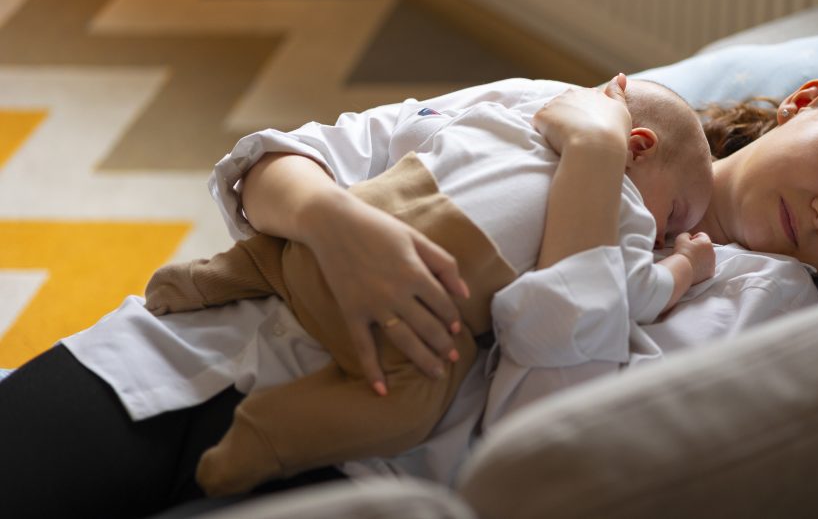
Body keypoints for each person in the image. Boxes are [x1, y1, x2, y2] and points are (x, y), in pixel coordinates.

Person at [0, 64, 818, 519]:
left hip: (357, 469)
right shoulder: (566, 106)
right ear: (804, 104)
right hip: (190, 347)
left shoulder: (759, 299)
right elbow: (276, 163)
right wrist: (338, 223)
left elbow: (545, 417)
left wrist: (594, 176)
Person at [141, 80, 716, 496]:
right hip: (393, 319)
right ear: (634, 146)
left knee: (289, 248)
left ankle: (214, 276)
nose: (667, 233)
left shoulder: (509, 121)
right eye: (676, 217)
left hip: (318, 245)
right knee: (412, 402)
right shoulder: (624, 209)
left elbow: (377, 148)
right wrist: (685, 267)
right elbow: (637, 291)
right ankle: (265, 437)